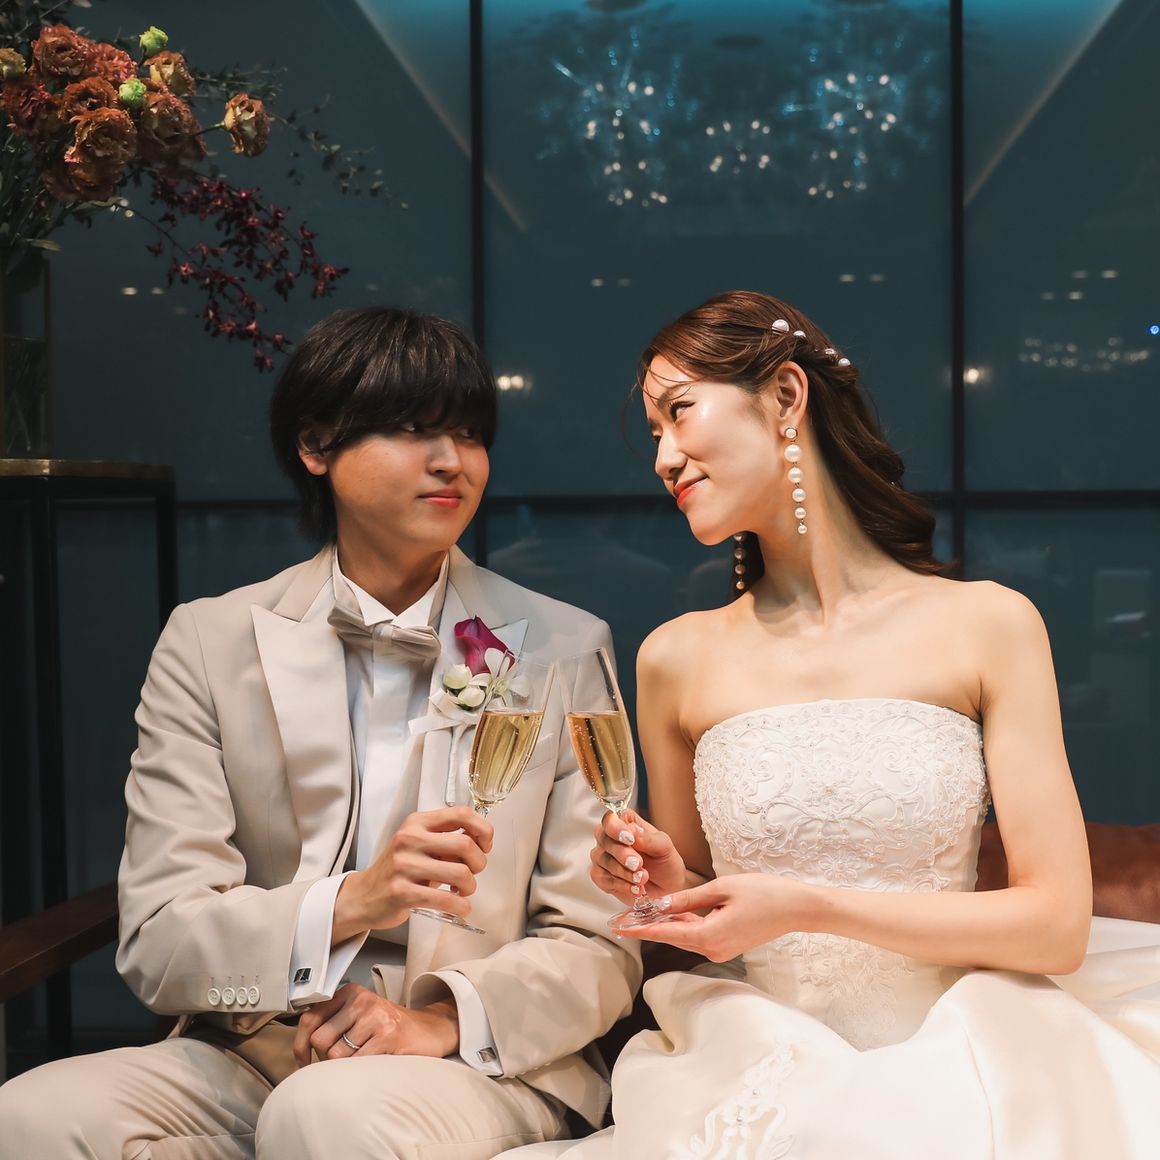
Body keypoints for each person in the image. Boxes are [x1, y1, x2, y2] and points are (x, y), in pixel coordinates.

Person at [504, 290, 1160, 1158]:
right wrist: (667, 877)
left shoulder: (989, 625)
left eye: (679, 412)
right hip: (760, 1061)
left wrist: (808, 906)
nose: (663, 457)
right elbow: (693, 890)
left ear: (785, 394)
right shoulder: (674, 658)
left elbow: (1055, 926)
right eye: (654, 433)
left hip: (965, 1056)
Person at [0, 307, 640, 1159]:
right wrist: (354, 900)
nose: (451, 460)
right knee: (30, 1116)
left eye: (469, 433)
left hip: (471, 1057)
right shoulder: (209, 642)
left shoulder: (562, 646)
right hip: (251, 1049)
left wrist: (437, 1020)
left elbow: (597, 938)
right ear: (315, 445)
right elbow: (159, 935)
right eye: (411, 429)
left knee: (327, 1115)